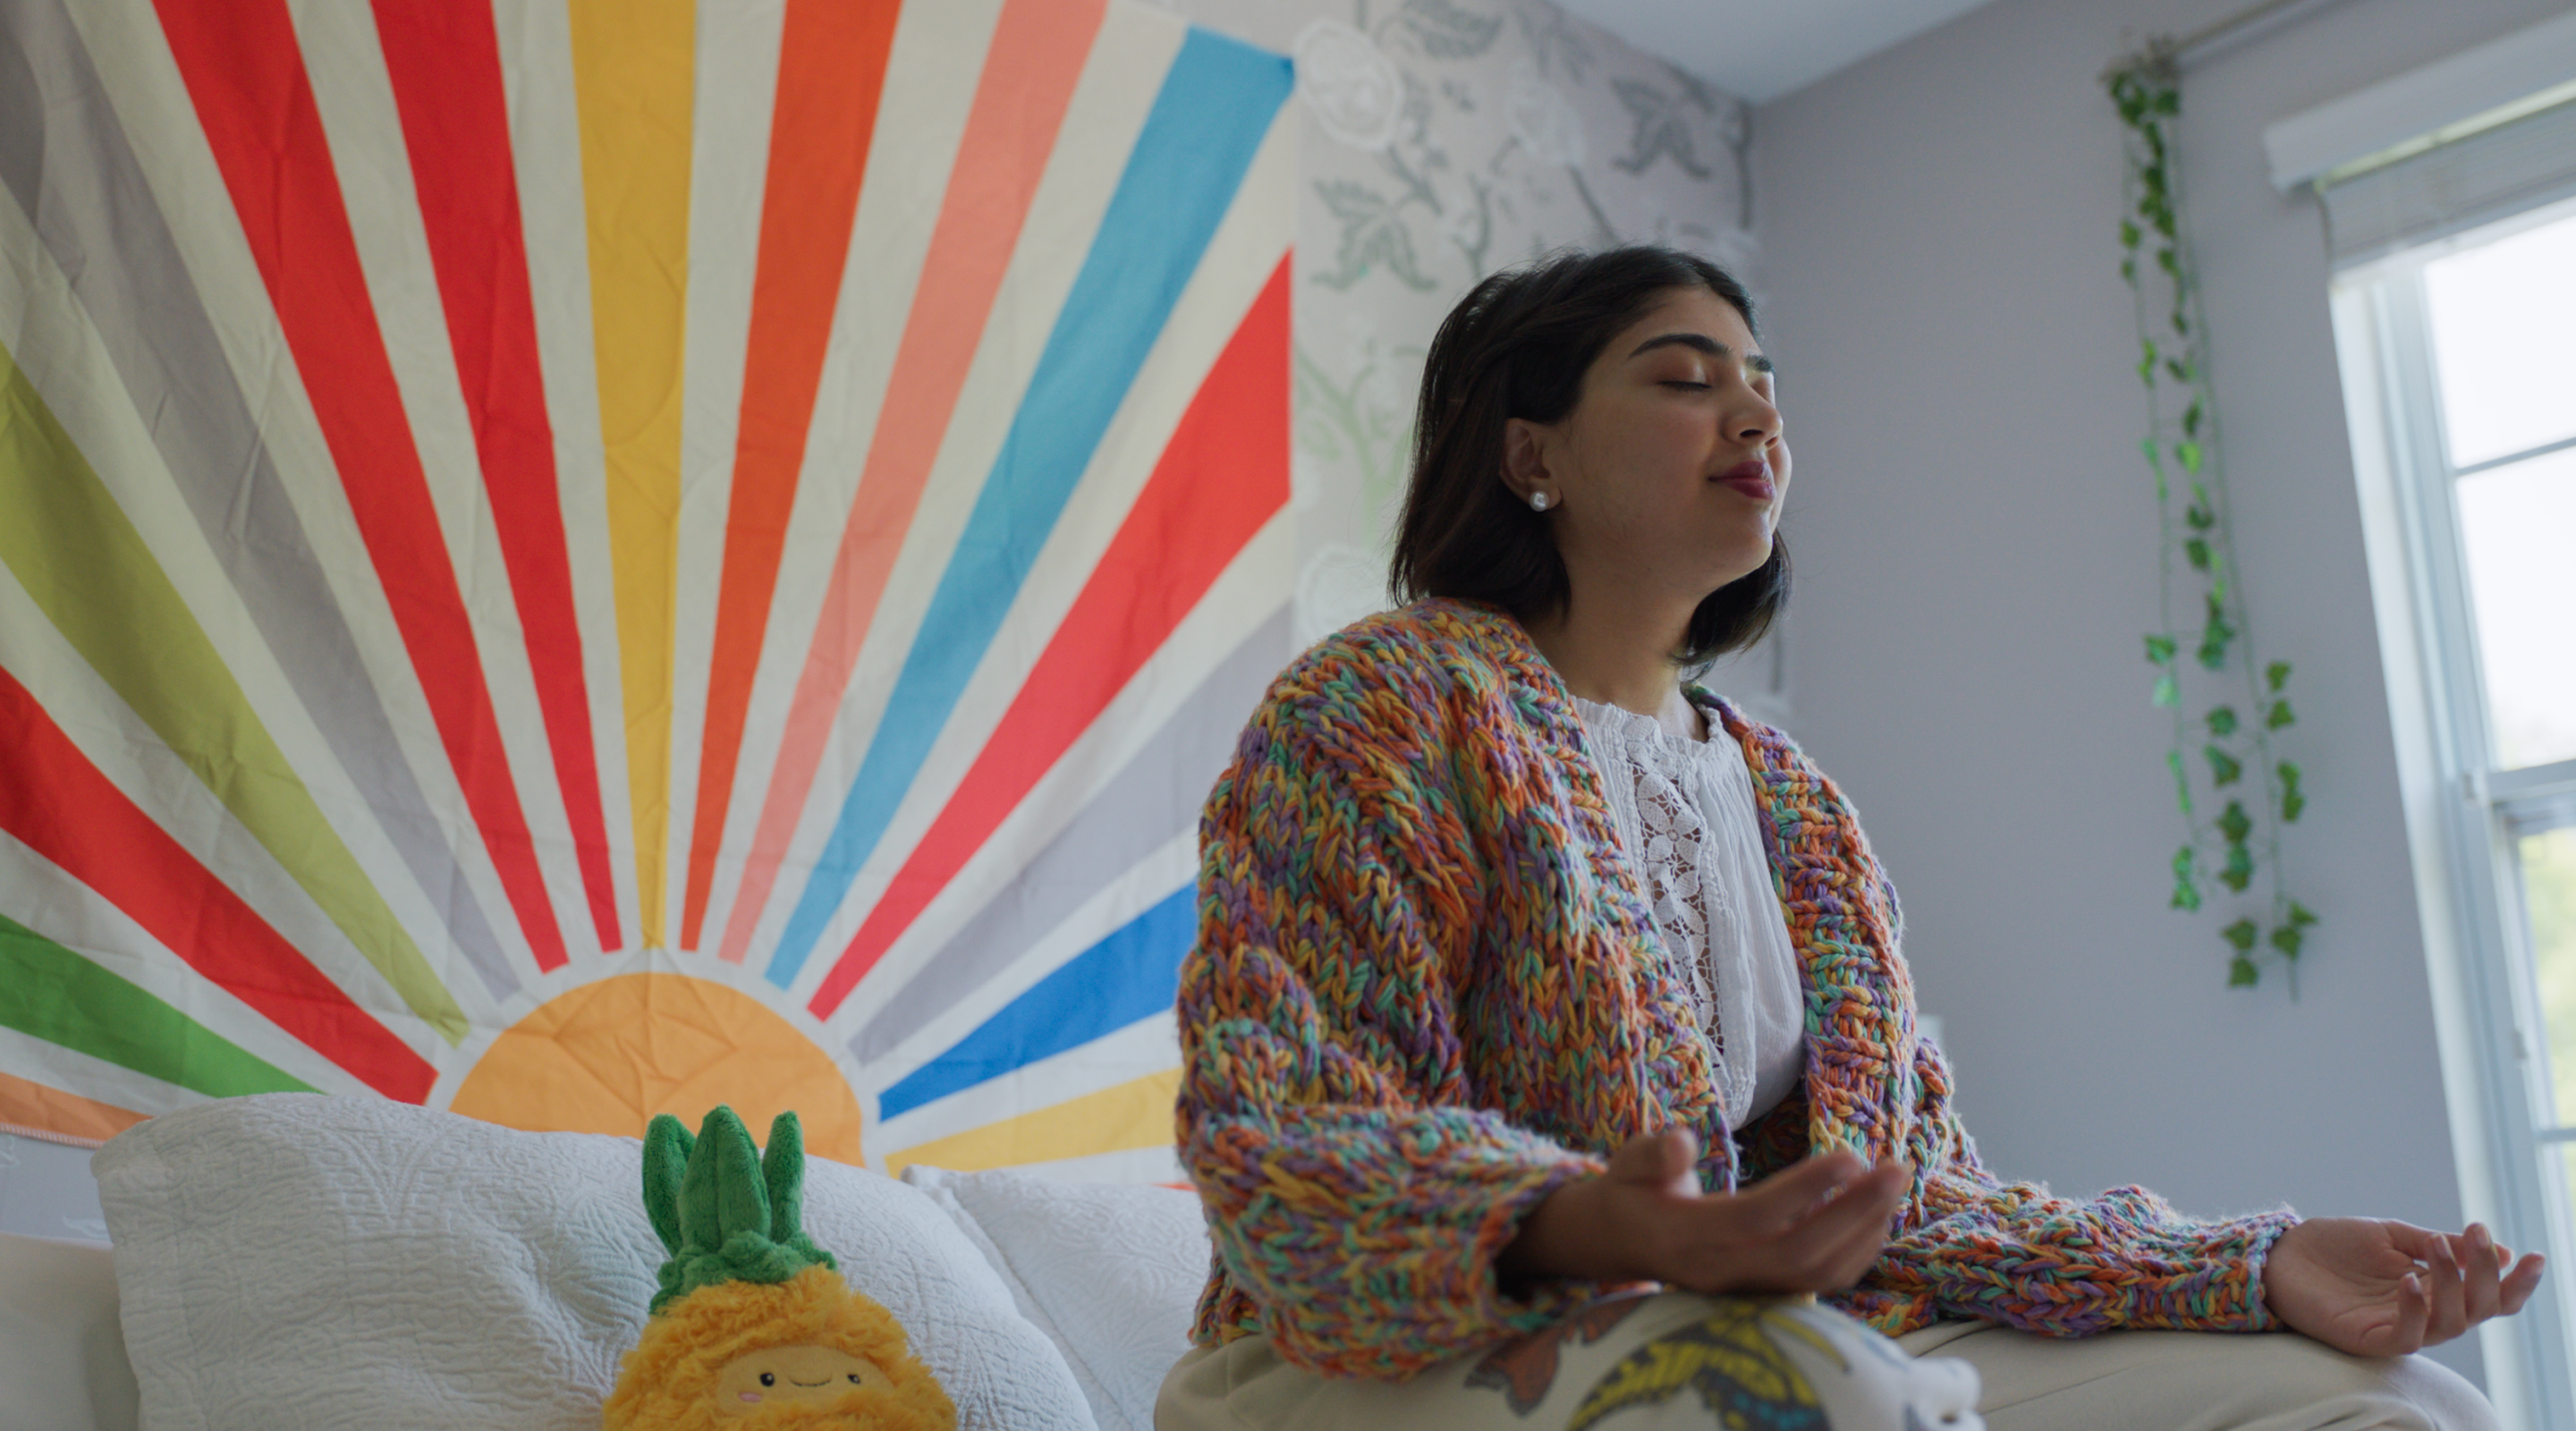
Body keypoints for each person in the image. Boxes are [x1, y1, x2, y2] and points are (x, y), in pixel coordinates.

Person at [1155, 245, 2546, 1431]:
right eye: (1686, 380)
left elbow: (1920, 1205)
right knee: (1806, 1385)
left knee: (2398, 1404)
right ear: (1532, 454)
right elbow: (1289, 1142)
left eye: (1764, 386)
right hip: (1366, 1353)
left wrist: (2256, 1266)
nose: (1753, 419)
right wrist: (1602, 1224)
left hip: (1779, 1332)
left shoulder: (1794, 805)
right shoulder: (1380, 708)